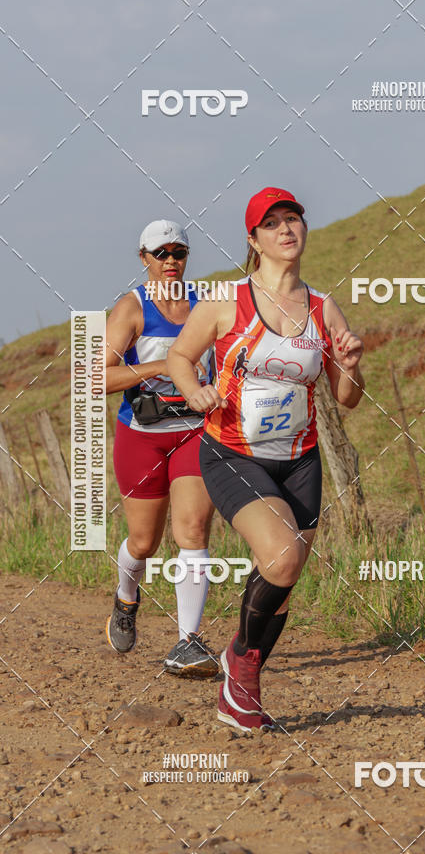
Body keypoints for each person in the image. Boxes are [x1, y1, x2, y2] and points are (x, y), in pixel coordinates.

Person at [167, 188, 364, 730]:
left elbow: (346, 398)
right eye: (271, 223)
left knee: (286, 571)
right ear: (253, 240)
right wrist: (194, 391)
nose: (286, 229)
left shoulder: (323, 309)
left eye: (293, 219)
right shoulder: (225, 303)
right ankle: (242, 663)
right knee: (281, 557)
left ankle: (240, 682)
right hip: (232, 453)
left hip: (300, 459)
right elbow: (180, 357)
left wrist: (349, 363)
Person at [104, 219, 218, 678]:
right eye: (161, 253)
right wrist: (162, 363)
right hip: (142, 437)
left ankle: (188, 641)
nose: (171, 261)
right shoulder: (131, 308)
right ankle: (126, 597)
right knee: (144, 542)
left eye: (179, 252)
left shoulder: (206, 304)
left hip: (195, 431)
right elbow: (99, 377)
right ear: (144, 258)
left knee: (192, 530)